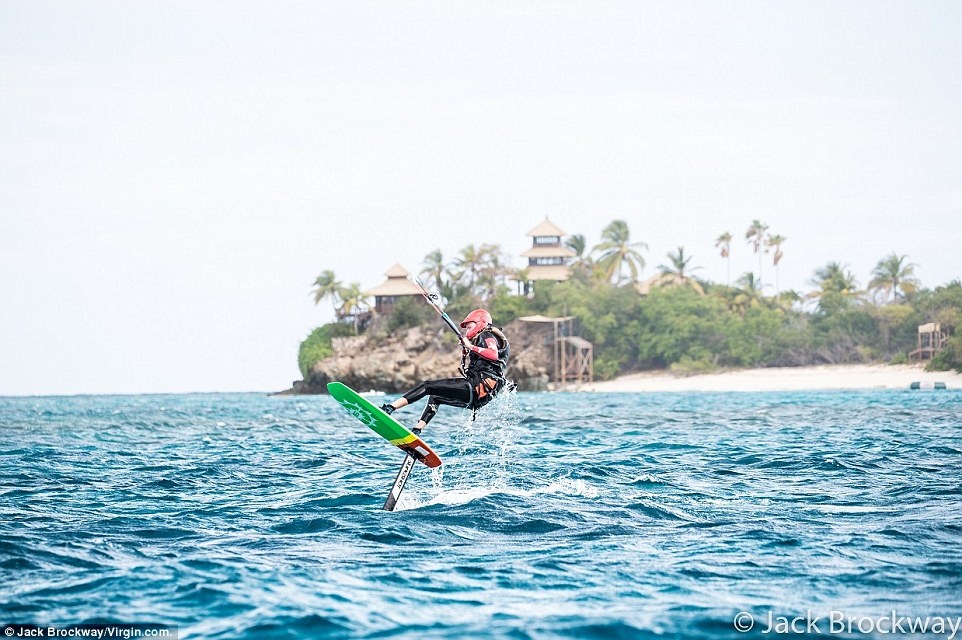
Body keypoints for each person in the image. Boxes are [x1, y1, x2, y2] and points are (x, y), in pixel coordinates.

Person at [380, 308, 511, 433]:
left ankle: (390, 408)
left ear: (481, 323)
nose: (467, 331)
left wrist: (470, 346)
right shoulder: (482, 339)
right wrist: (466, 350)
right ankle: (417, 430)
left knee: (427, 386)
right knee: (435, 397)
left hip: (477, 387)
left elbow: (493, 354)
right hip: (481, 396)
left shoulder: (487, 334)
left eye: (469, 327)